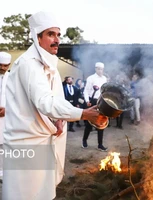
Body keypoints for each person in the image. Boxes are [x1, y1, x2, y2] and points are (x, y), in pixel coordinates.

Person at [2, 11, 106, 200]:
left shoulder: (48, 65)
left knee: (43, 193)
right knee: (23, 194)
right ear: (37, 37)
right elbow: (44, 102)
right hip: (25, 145)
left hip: (42, 142)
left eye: (58, 35)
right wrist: (82, 113)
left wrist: (59, 119)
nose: (57, 39)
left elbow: (55, 99)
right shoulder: (28, 64)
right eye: (50, 34)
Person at [82, 62, 108, 151]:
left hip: (101, 102)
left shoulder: (104, 78)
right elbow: (86, 91)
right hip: (92, 101)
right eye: (99, 69)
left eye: (102, 69)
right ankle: (84, 140)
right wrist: (87, 101)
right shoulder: (91, 78)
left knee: (101, 123)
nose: (100, 71)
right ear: (96, 69)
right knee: (89, 123)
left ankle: (100, 144)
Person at [0, 52, 11, 179]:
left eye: (5, 66)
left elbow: (17, 98)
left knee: (4, 145)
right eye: (0, 65)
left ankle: (2, 171)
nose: (3, 68)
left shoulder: (12, 78)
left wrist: (7, 109)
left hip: (7, 117)